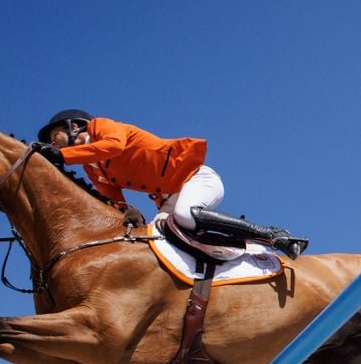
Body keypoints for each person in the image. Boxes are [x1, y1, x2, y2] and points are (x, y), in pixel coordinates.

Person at [35, 110, 307, 259]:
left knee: (185, 215)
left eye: (54, 135)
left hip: (195, 178)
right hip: (167, 198)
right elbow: (113, 196)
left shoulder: (102, 127)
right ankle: (234, 258)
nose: (52, 142)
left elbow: (114, 146)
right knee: (155, 242)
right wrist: (125, 211)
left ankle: (273, 235)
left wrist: (61, 156)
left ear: (74, 126)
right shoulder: (90, 167)